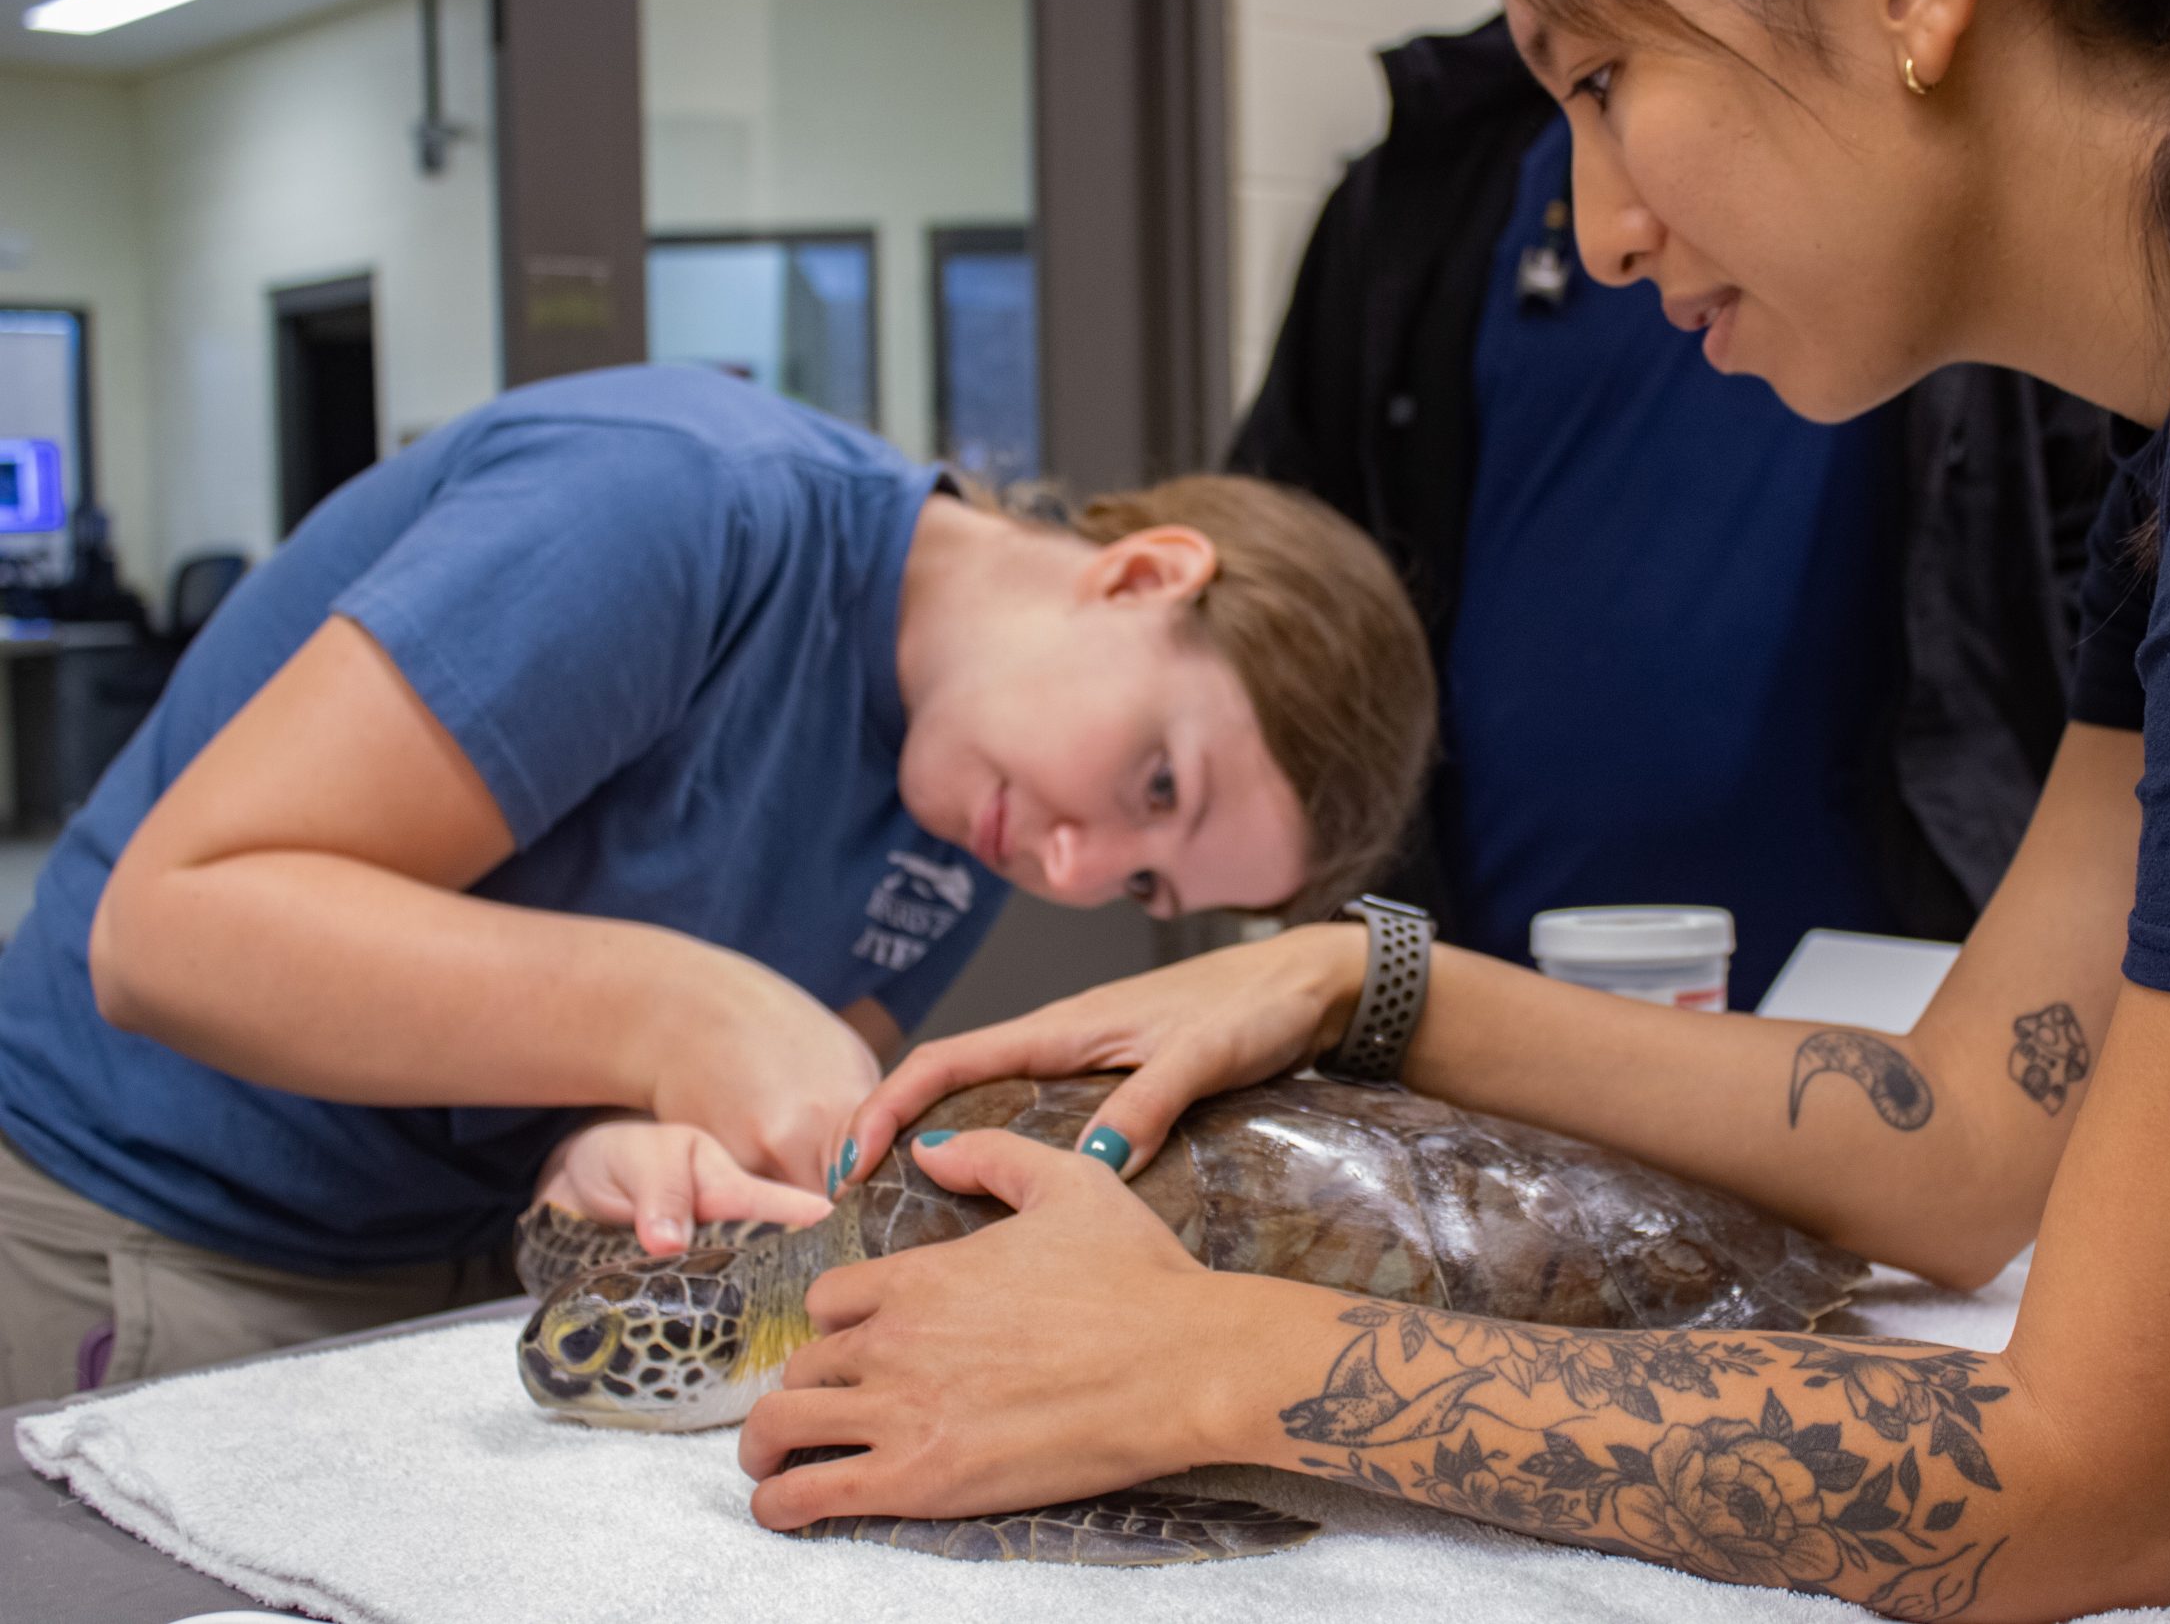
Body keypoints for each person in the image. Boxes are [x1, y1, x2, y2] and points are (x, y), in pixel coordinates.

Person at [753, 0, 2170, 1616]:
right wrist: (1361, 976)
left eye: (1608, 82)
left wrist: (1207, 1360)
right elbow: (1961, 1144)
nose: (1605, 224)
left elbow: (2110, 1472)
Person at [0, 363, 1433, 1408]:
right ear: (1140, 577)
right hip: (146, 1233)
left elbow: (665, 1127)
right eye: (1157, 784)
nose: (1068, 866)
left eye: (1139, 877)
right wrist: (675, 1012)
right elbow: (168, 932)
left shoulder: (981, 801)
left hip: (448, 1272)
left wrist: (618, 1151)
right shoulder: (671, 504)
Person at [1235, 15, 2113, 995]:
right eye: (1581, 87)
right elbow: (1278, 561)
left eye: (1608, 81)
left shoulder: (1988, 219)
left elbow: (2098, 581)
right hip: (1495, 1002)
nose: (1619, 235)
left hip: (1886, 1001)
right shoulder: (1428, 189)